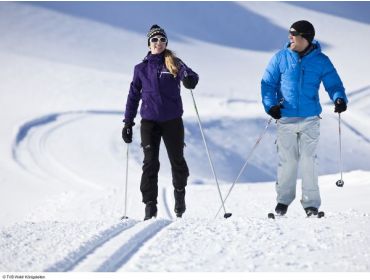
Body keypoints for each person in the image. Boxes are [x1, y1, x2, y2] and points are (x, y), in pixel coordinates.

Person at [261, 20, 348, 217]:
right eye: (290, 33)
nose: (290, 37)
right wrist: (271, 105)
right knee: (288, 161)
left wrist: (339, 98)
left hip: (310, 118)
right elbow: (268, 84)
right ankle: (283, 201)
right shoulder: (280, 58)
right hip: (285, 118)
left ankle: (311, 204)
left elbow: (334, 84)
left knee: (309, 161)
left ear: (305, 37)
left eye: (294, 34)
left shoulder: (321, 61)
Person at [122, 24, 199, 220]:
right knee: (150, 163)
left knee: (177, 161)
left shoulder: (173, 62)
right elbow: (133, 96)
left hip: (172, 121)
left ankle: (179, 196)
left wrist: (190, 79)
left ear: (166, 43)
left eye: (162, 40)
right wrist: (128, 122)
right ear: (149, 44)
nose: (158, 43)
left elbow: (189, 74)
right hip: (149, 122)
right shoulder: (140, 69)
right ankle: (150, 206)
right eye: (154, 40)